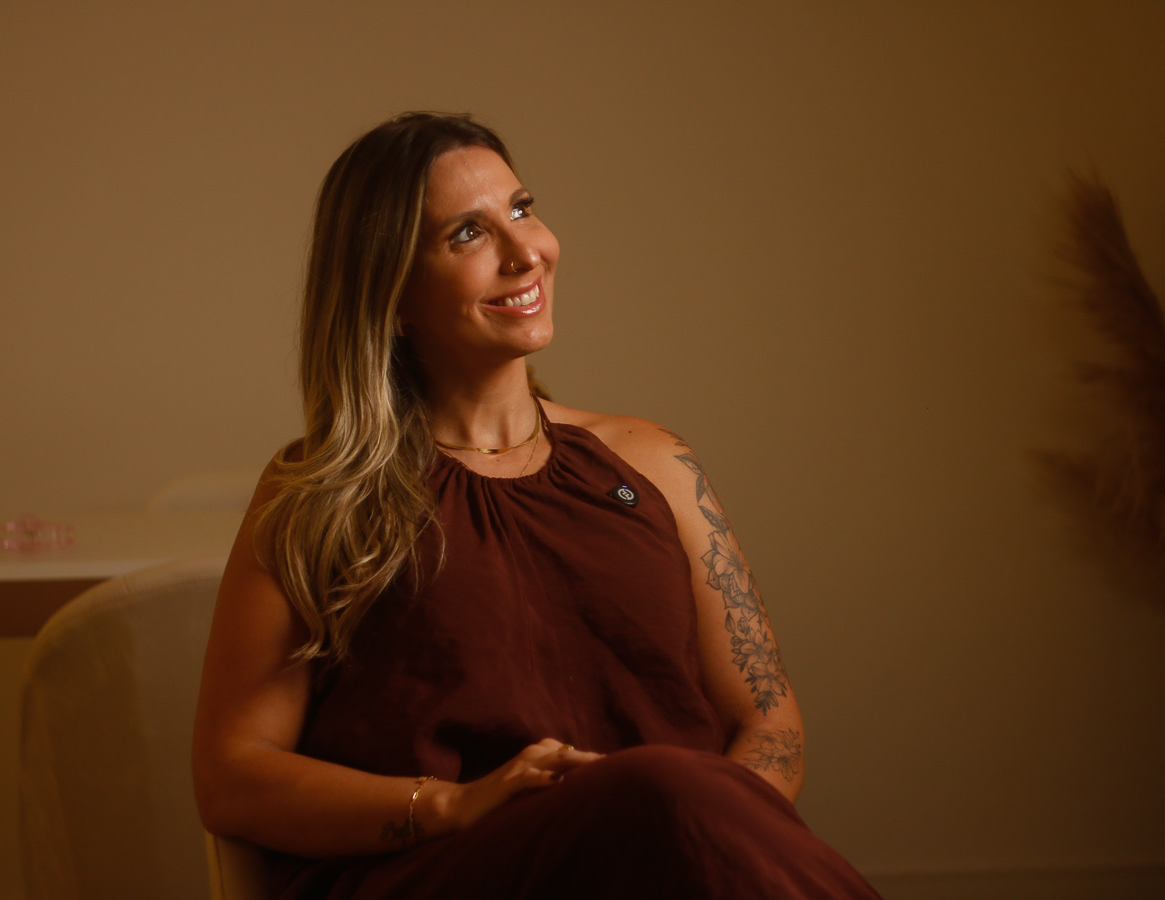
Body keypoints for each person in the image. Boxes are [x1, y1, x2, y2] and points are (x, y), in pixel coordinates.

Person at [192, 112, 880, 899]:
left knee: (661, 794)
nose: (526, 253)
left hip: (666, 868)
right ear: (391, 294)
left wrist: (702, 839)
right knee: (655, 787)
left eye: (521, 209)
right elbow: (232, 776)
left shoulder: (654, 462)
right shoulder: (319, 494)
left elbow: (768, 720)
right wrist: (454, 804)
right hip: (442, 871)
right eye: (467, 234)